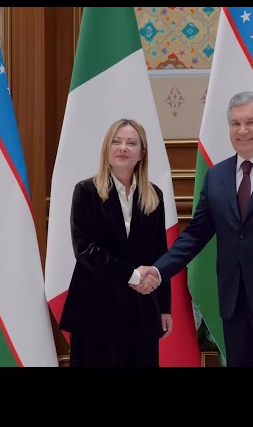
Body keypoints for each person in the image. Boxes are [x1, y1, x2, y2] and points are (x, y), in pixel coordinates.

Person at [133, 91, 253, 367]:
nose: (242, 130)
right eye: (235, 123)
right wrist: (159, 270)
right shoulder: (216, 175)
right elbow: (196, 234)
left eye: (251, 122)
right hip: (234, 305)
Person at [59, 118, 172, 367]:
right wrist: (132, 275)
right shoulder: (86, 191)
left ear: (141, 153)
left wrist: (164, 307)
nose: (123, 148)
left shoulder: (154, 195)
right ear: (107, 149)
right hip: (94, 309)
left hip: (141, 310)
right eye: (116, 141)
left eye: (131, 143)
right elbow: (85, 249)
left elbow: (160, 252)